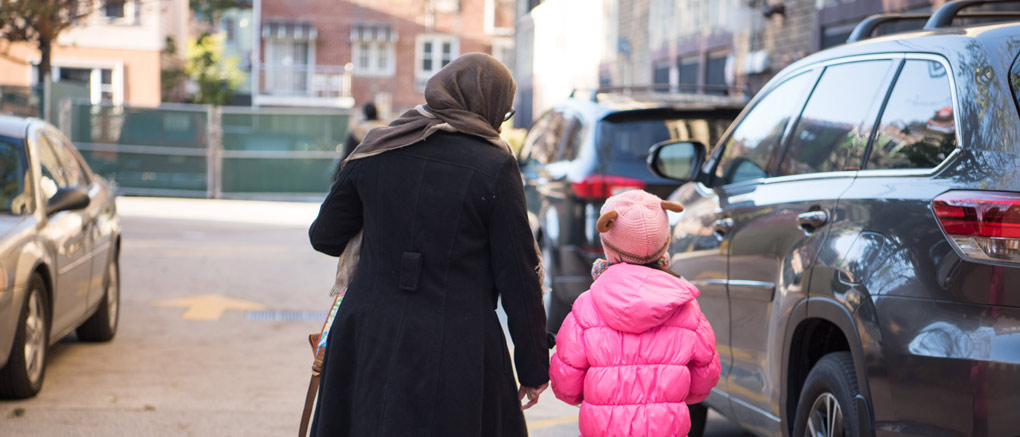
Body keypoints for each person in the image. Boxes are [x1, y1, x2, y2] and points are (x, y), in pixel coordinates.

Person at [308, 53, 550, 436]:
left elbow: (325, 237)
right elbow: (518, 278)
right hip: (459, 345)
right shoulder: (494, 165)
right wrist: (533, 368)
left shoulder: (378, 147)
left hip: (367, 337)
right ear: (491, 105)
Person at [548, 190, 721, 437]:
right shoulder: (685, 307)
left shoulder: (587, 307)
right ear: (664, 243)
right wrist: (671, 397)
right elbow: (704, 379)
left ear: (608, 242)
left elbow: (566, 384)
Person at [334, 102, 385, 181]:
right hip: (379, 174)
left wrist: (337, 174)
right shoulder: (384, 131)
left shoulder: (357, 131)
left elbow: (348, 154)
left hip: (359, 174)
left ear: (364, 114)